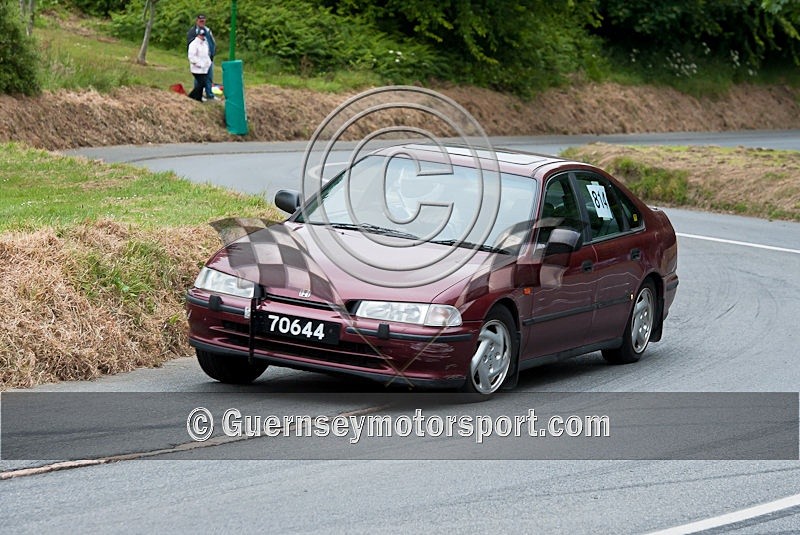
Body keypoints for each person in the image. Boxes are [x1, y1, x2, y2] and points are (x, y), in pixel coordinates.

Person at [187, 14, 217, 100]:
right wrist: (198, 63)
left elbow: (211, 42)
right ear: (197, 21)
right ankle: (196, 95)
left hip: (208, 59)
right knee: (199, 81)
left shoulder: (207, 30)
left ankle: (209, 94)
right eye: (200, 21)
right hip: (198, 62)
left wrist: (212, 54)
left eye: (203, 21)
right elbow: (191, 51)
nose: (202, 22)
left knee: (209, 78)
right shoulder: (193, 32)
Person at [187, 29, 211, 102]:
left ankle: (198, 97)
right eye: (201, 35)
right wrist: (199, 64)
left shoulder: (205, 44)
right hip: (196, 68)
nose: (202, 37)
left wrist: (208, 63)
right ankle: (191, 96)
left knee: (202, 83)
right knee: (201, 83)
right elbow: (191, 57)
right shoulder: (193, 44)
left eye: (203, 35)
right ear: (197, 35)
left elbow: (206, 55)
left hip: (204, 68)